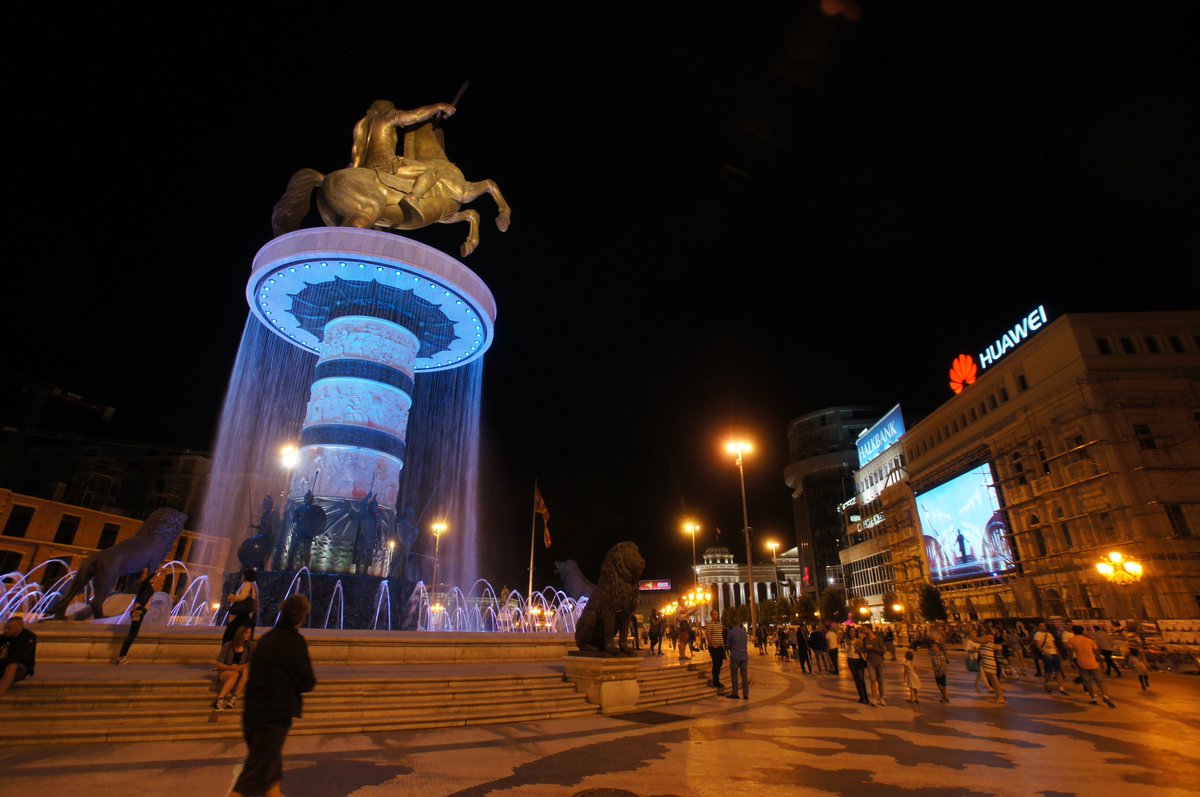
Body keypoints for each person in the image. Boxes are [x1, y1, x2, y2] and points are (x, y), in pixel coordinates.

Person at [228, 594, 316, 797]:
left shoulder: (266, 639)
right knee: (250, 778)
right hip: (274, 717)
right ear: (301, 618)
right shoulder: (294, 643)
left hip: (253, 713)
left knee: (271, 773)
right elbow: (307, 681)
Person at [349, 98, 458, 207]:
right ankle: (413, 197)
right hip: (386, 164)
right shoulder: (387, 117)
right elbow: (416, 115)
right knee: (432, 172)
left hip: (367, 168)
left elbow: (356, 156)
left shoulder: (361, 125)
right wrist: (439, 106)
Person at [1065, 624, 1116, 708]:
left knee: (1087, 681)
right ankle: (1105, 696)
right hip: (1093, 663)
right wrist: (1102, 662)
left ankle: (1093, 698)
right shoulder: (1089, 640)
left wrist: (1071, 662)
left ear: (1073, 632)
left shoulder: (1071, 640)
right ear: (1082, 631)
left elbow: (1070, 652)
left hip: (1082, 663)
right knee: (1100, 681)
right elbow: (1096, 652)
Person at [213, 625, 255, 711]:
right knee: (234, 674)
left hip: (241, 673)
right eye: (247, 633)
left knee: (246, 669)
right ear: (240, 634)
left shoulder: (250, 646)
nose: (249, 635)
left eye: (250, 633)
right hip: (226, 672)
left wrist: (240, 667)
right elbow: (218, 664)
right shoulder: (228, 645)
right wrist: (231, 668)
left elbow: (252, 662)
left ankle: (234, 698)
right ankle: (219, 699)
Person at [116, 574, 156, 664]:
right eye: (154, 577)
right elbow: (143, 586)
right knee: (132, 634)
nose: (156, 578)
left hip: (141, 610)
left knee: (133, 634)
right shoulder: (145, 585)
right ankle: (121, 656)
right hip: (138, 611)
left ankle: (122, 656)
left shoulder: (148, 587)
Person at [0, 616, 37, 699]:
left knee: (12, 666)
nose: (6, 631)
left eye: (10, 628)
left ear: (19, 627)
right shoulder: (2, 638)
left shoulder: (28, 638)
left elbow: (21, 657)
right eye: (5, 628)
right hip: (3, 664)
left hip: (21, 667)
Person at [224, 568, 259, 645]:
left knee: (232, 632)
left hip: (242, 613)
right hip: (248, 613)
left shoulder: (248, 584)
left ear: (246, 576)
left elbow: (243, 596)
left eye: (243, 575)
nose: (242, 576)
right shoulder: (253, 585)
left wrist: (233, 598)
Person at [1033, 622, 1070, 695]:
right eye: (1041, 625)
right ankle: (1046, 683)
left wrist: (1057, 653)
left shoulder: (1049, 635)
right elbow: (1038, 645)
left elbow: (1053, 644)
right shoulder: (1037, 635)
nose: (1043, 627)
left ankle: (1061, 687)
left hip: (1054, 653)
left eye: (1044, 625)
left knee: (1058, 670)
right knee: (1049, 671)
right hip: (1046, 654)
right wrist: (1045, 653)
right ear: (1038, 627)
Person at [975, 626, 1005, 704]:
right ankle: (998, 695)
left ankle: (1000, 697)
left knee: (994, 679)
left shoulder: (989, 637)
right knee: (992, 679)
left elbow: (977, 640)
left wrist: (971, 634)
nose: (981, 632)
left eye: (982, 630)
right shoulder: (986, 638)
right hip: (986, 660)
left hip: (989, 661)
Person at [845, 627, 870, 705]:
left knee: (861, 679)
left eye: (854, 631)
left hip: (859, 660)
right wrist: (849, 645)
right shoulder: (847, 640)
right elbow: (847, 651)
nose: (852, 632)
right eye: (851, 631)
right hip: (851, 660)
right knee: (856, 679)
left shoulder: (859, 640)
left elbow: (862, 650)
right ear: (849, 632)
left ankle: (866, 697)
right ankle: (861, 696)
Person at [726, 620, 750, 700]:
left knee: (734, 675)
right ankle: (745, 694)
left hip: (735, 656)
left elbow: (728, 644)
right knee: (744, 676)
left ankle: (735, 693)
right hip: (744, 656)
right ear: (739, 623)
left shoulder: (731, 632)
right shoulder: (744, 632)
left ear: (732, 624)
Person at [704, 609, 726, 691]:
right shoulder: (710, 624)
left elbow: (720, 635)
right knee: (716, 663)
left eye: (717, 614)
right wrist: (713, 644)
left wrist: (722, 645)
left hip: (720, 647)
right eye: (715, 614)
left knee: (719, 663)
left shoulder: (719, 624)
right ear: (711, 615)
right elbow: (708, 634)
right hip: (713, 647)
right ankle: (716, 681)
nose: (717, 615)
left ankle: (716, 680)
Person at [864, 626, 887, 706]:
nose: (864, 630)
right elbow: (864, 650)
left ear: (869, 629)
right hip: (870, 662)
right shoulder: (866, 640)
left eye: (865, 629)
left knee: (880, 681)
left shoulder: (878, 639)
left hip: (879, 662)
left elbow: (883, 651)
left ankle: (881, 698)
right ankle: (874, 698)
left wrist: (872, 648)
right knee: (872, 680)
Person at [929, 638, 950, 703]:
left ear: (938, 648)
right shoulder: (932, 655)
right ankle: (944, 696)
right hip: (936, 672)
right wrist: (935, 671)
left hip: (942, 671)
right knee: (939, 685)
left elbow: (942, 663)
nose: (933, 648)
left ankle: (945, 697)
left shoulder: (941, 654)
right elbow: (933, 664)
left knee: (943, 685)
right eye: (932, 646)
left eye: (934, 646)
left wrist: (940, 670)